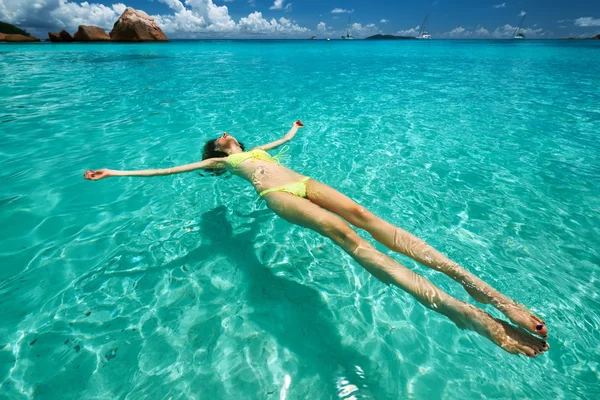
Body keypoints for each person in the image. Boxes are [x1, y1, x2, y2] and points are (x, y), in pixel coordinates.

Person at [84, 120, 549, 357]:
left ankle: (478, 287)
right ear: (216, 152)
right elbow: (168, 170)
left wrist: (295, 129)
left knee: (367, 217)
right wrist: (115, 171)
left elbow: (285, 140)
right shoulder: (219, 164)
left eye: (226, 135)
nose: (222, 136)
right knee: (348, 236)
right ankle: (460, 311)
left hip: (303, 180)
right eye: (217, 140)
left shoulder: (259, 148)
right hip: (277, 194)